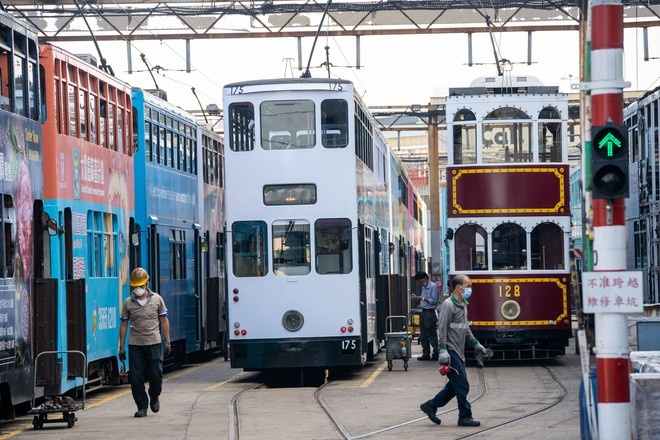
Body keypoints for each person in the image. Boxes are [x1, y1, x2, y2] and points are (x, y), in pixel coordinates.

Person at [419, 274, 489, 427]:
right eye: (468, 286)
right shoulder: (448, 305)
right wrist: (443, 350)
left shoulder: (462, 304)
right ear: (459, 287)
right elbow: (442, 328)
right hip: (451, 351)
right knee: (463, 385)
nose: (470, 289)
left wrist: (477, 345)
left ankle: (430, 405)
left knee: (454, 386)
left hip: (459, 351)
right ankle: (465, 416)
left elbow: (466, 329)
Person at [118, 267, 171, 418]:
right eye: (136, 286)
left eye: (141, 285)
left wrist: (167, 341)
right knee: (136, 378)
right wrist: (121, 346)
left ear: (147, 284)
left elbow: (164, 320)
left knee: (156, 374)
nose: (139, 289)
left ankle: (154, 396)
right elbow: (123, 324)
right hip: (136, 345)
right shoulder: (128, 303)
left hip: (154, 342)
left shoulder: (157, 299)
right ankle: (142, 406)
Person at [413, 271, 439, 361]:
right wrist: (418, 299)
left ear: (425, 278)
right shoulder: (424, 287)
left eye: (420, 281)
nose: (420, 283)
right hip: (423, 311)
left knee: (431, 334)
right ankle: (426, 353)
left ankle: (436, 353)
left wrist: (422, 298)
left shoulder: (433, 286)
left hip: (430, 313)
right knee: (423, 334)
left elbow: (433, 301)